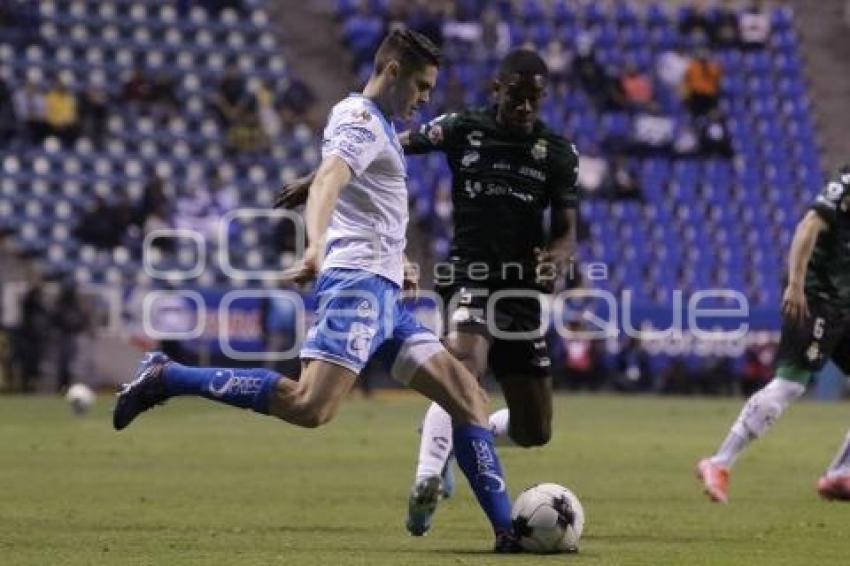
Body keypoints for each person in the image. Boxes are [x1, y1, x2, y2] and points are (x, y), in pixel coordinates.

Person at [113, 29, 521, 552]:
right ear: (392, 72)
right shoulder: (359, 119)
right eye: (421, 84)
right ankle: (167, 376)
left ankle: (507, 534)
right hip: (355, 287)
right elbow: (331, 178)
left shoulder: (382, 128)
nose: (425, 97)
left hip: (383, 292)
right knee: (310, 406)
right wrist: (317, 243)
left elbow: (363, 199)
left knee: (469, 397)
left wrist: (396, 261)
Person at [276, 48, 580, 537]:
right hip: (469, 274)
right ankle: (429, 475)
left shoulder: (558, 153)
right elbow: (388, 144)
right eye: (517, 97)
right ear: (497, 89)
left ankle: (458, 438)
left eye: (535, 100)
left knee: (534, 430)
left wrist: (557, 259)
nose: (525, 107)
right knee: (462, 366)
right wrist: (316, 180)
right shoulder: (463, 127)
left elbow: (566, 231)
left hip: (521, 292)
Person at [697, 167, 850, 502]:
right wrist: (796, 285)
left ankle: (840, 473)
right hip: (817, 298)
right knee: (791, 383)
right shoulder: (846, 185)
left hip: (843, 304)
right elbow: (809, 224)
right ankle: (719, 462)